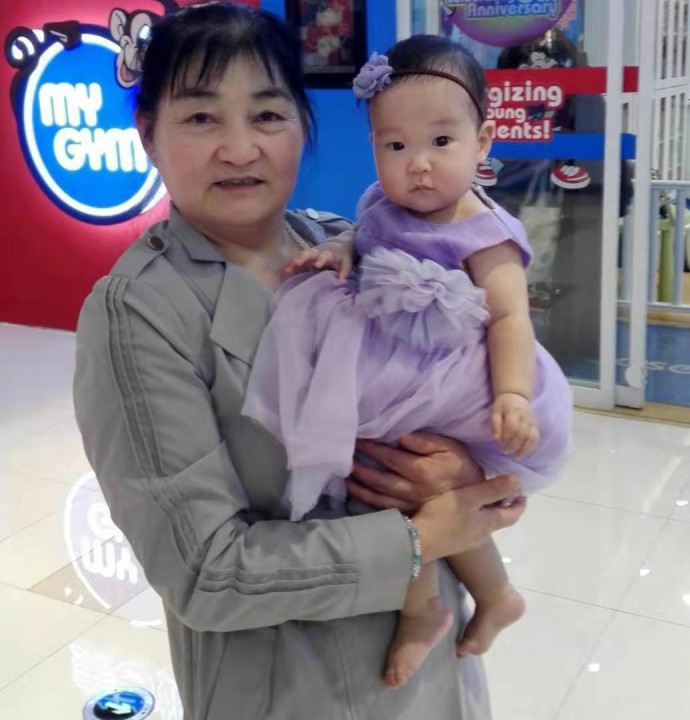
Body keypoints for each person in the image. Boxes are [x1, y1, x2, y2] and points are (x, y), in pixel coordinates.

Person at [72, 5, 527, 720]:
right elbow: (205, 571)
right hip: (292, 688)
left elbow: (476, 382)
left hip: (441, 670)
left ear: (302, 126)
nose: (239, 148)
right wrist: (420, 539)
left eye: (267, 114)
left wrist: (463, 472)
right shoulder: (139, 313)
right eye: (201, 118)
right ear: (148, 136)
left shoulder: (353, 246)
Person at [241, 35, 573, 688]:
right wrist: (341, 250)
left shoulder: (485, 232)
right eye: (395, 146)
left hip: (454, 379)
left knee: (395, 479)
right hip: (395, 367)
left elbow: (510, 318)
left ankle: (430, 608)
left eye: (441, 142)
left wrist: (512, 396)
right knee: (403, 485)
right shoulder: (379, 203)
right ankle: (489, 596)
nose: (417, 164)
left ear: (482, 142)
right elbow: (361, 238)